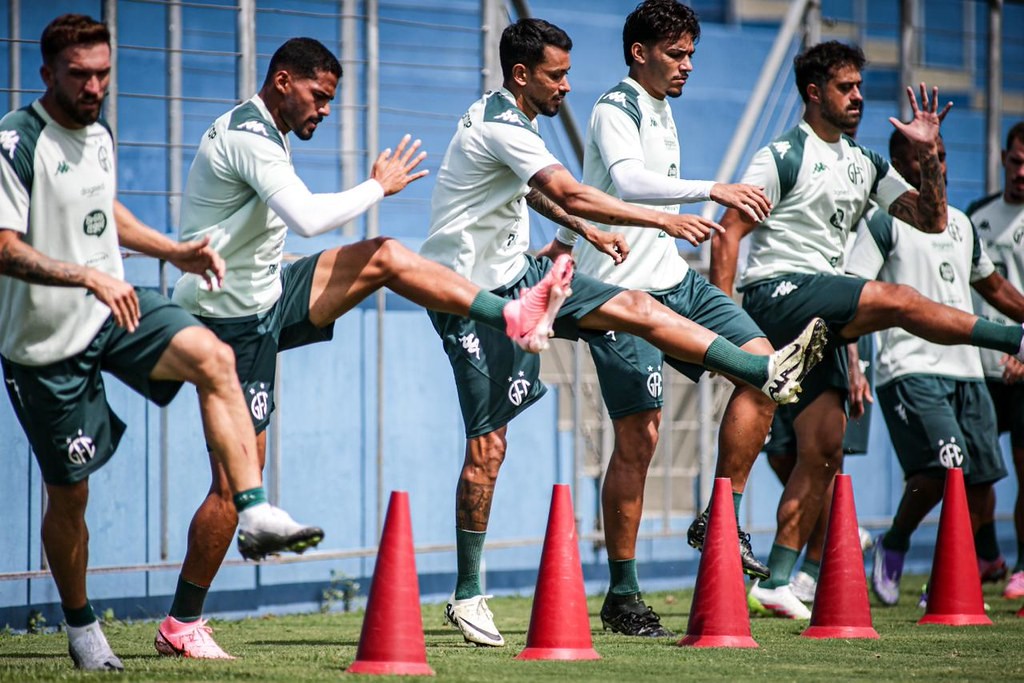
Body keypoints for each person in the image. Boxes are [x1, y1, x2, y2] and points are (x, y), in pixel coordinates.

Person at [158, 36, 575, 659]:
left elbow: (265, 233)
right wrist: (376, 186)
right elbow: (304, 216)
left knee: (383, 255)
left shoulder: (268, 134)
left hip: (270, 293)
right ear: (281, 81)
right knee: (235, 484)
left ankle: (512, 312)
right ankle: (181, 623)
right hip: (228, 327)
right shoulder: (246, 135)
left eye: (330, 99)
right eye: (318, 97)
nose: (325, 110)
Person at [421, 17, 829, 647]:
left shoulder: (520, 118)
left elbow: (535, 194)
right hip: (468, 298)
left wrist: (579, 233)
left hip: (532, 277)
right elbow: (576, 190)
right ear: (523, 74)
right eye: (557, 75)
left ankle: (759, 390)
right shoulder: (516, 121)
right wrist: (660, 218)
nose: (566, 86)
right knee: (490, 449)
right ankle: (470, 592)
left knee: (642, 307)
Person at [0, 14, 322, 671]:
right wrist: (83, 272)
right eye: (79, 75)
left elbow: (103, 210)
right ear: (47, 75)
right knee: (71, 495)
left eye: (103, 74)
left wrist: (172, 251)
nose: (94, 87)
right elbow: (3, 244)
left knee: (215, 357)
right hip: (45, 344)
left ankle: (254, 509)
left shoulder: (98, 134)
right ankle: (82, 623)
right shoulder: (15, 142)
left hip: (117, 308)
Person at [711, 40, 1024, 620]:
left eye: (859, 87)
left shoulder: (864, 162)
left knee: (826, 448)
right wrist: (727, 327)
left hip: (823, 311)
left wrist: (928, 154)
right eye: (845, 87)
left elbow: (931, 221)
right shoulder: (781, 155)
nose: (858, 97)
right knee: (901, 299)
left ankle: (777, 581)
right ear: (813, 92)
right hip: (779, 292)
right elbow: (728, 232)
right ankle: (1014, 338)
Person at [538, 0, 779, 637]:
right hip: (622, 297)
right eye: (676, 53)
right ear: (639, 52)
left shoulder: (661, 106)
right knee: (640, 440)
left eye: (693, 54)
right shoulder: (613, 107)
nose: (687, 66)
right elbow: (627, 183)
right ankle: (622, 594)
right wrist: (713, 188)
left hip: (676, 282)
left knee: (767, 368)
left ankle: (719, 513)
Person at [847, 129, 1024, 605]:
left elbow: (993, 288)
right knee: (949, 468)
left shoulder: (962, 224)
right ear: (900, 164)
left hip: (966, 370)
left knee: (983, 476)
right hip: (909, 366)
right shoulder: (882, 223)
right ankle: (919, 561)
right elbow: (851, 295)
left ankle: (958, 561)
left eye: (941, 157)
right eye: (924, 157)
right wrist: (854, 366)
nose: (936, 166)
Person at [969, 121, 1024, 599]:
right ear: (1004, 159)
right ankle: (988, 557)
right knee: (978, 472)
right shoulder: (977, 217)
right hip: (981, 367)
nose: (1022, 172)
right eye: (1017, 161)